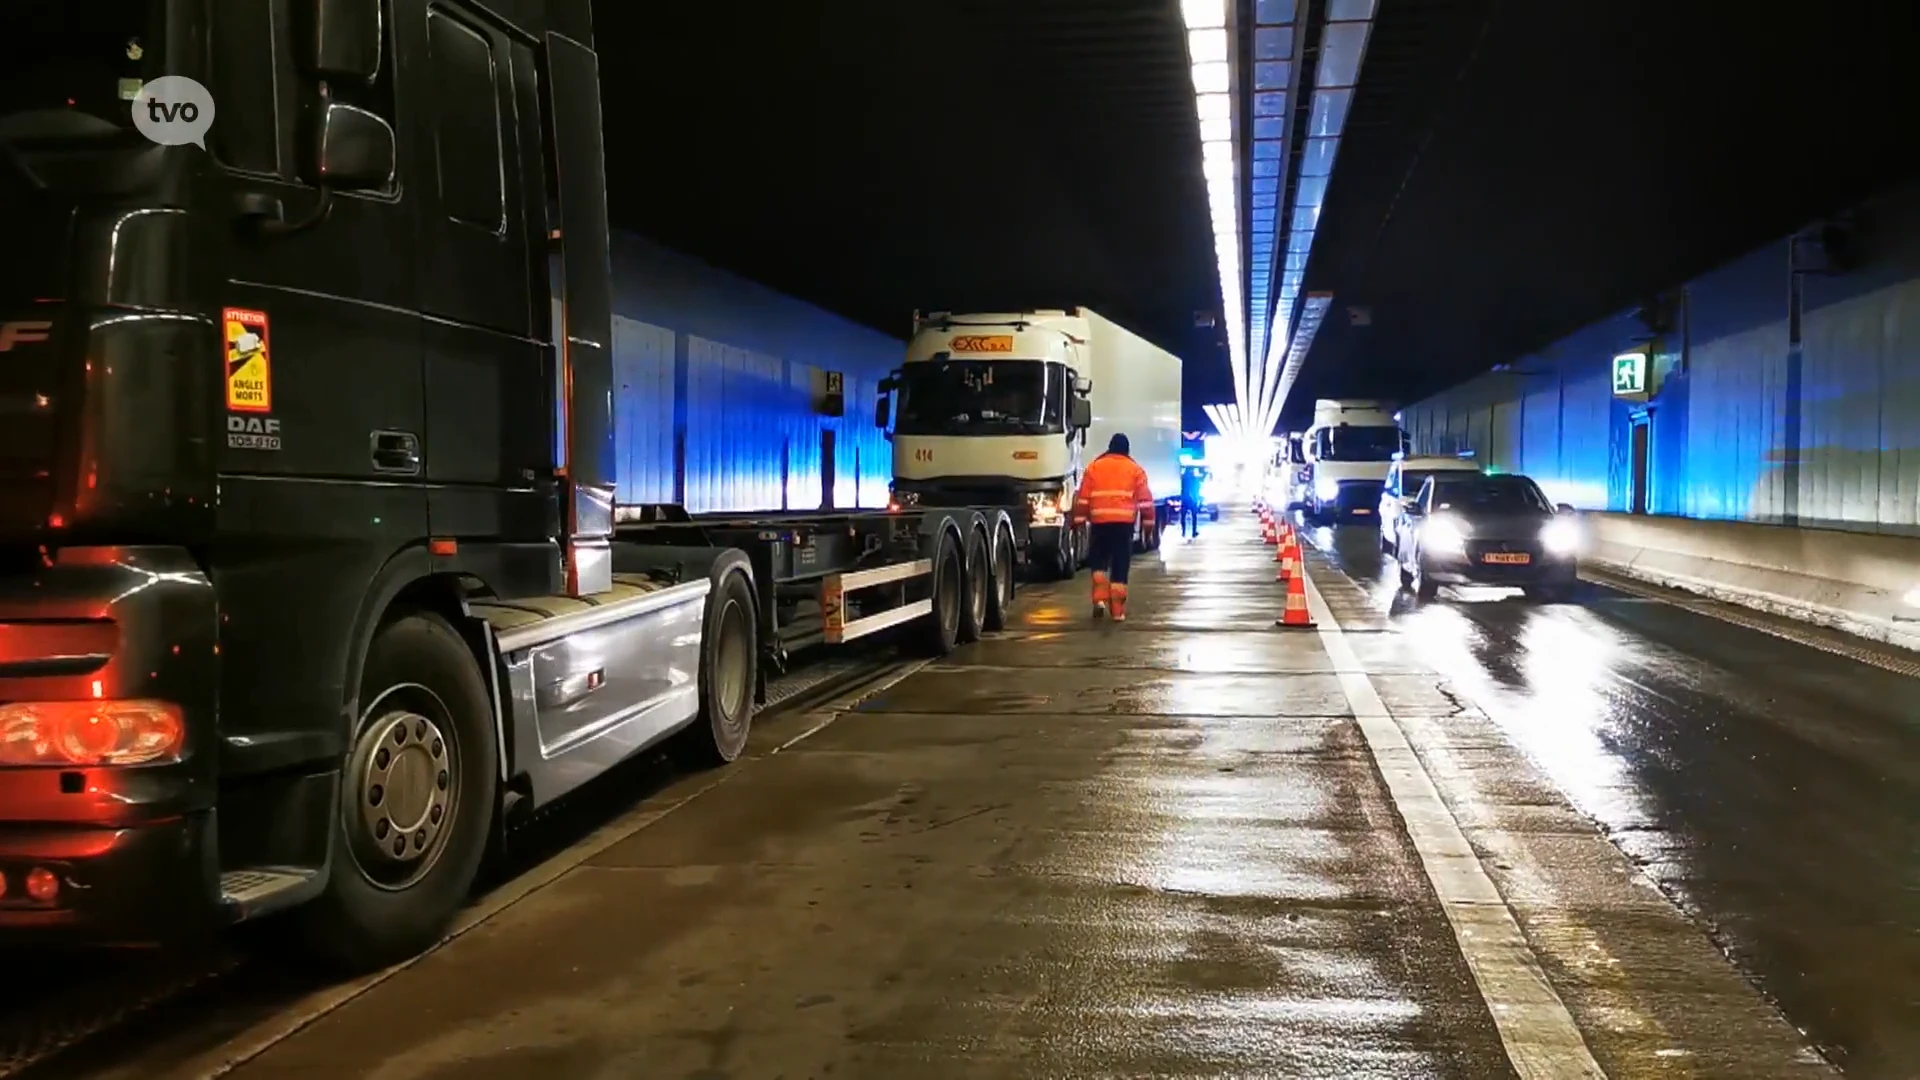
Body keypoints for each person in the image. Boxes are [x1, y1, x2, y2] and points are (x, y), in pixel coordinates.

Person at [1070, 433, 1156, 622]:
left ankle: (1099, 601)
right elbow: (1146, 503)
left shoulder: (1094, 467)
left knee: (1099, 563)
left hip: (1099, 524)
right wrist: (1148, 528)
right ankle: (1117, 612)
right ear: (1127, 450)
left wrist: (1078, 521)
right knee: (1120, 566)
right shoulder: (1135, 470)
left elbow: (1083, 499)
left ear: (1109, 448)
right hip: (1123, 526)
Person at [1179, 465, 1206, 539]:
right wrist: (1198, 500)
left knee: (1183, 517)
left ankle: (1183, 532)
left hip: (1184, 499)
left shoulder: (1183, 479)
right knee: (1194, 517)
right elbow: (1197, 489)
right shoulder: (1195, 479)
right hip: (1193, 500)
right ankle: (1194, 532)